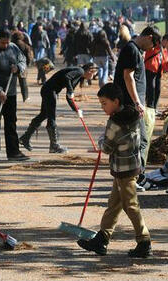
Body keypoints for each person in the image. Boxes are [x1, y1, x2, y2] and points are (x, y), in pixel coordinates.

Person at [77, 83, 152, 258]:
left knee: (131, 206)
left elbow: (107, 147)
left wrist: (101, 140)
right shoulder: (134, 115)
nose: (103, 107)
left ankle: (144, 241)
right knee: (114, 205)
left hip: (123, 170)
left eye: (104, 103)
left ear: (116, 101)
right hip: (131, 166)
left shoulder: (114, 122)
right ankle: (102, 239)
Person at [113, 25, 161, 189]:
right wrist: (137, 102)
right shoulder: (133, 50)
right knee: (140, 142)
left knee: (134, 142)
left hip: (130, 104)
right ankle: (137, 178)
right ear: (148, 37)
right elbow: (128, 77)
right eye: (153, 43)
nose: (153, 47)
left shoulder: (133, 49)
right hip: (130, 105)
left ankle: (131, 179)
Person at [19, 63, 98, 153]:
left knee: (43, 115)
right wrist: (70, 90)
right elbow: (66, 77)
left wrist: (76, 110)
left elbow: (69, 97)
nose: (94, 76)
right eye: (94, 73)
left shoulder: (79, 76)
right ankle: (54, 145)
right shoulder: (80, 71)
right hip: (50, 91)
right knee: (51, 117)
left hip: (49, 90)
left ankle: (25, 138)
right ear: (89, 70)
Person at [0, 28, 29, 161]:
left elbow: (22, 60)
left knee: (11, 121)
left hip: (10, 91)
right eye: (3, 43)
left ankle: (13, 152)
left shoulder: (13, 48)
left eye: (7, 42)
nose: (6, 45)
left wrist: (18, 68)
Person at [140, 34, 168, 175]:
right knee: (150, 90)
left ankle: (153, 107)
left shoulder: (163, 50)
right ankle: (150, 107)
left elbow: (165, 60)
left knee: (156, 91)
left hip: (158, 70)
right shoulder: (155, 47)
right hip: (150, 68)